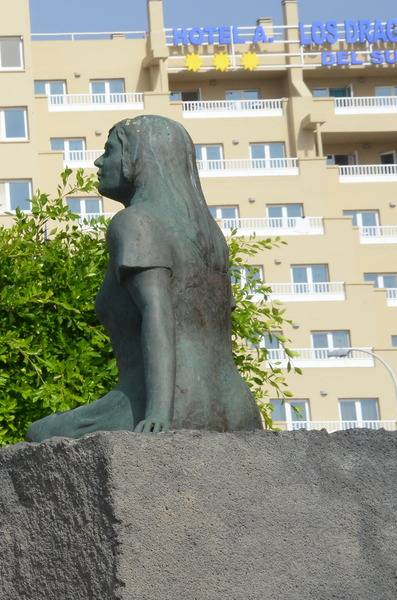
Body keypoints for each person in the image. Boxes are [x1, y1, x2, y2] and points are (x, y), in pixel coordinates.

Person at [28, 115, 262, 439]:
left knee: (40, 432)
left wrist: (158, 414)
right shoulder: (212, 237)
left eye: (109, 151)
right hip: (240, 410)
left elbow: (158, 312)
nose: (99, 161)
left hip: (170, 406)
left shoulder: (136, 223)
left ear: (135, 160)